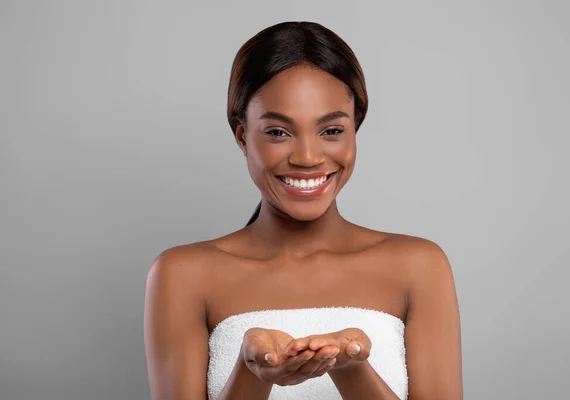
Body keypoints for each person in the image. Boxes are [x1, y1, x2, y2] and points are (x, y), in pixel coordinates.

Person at [144, 21, 462, 400]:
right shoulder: (182, 275)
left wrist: (351, 369)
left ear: (354, 131)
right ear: (243, 135)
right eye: (278, 132)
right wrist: (255, 373)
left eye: (331, 131)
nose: (308, 158)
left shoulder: (419, 266)